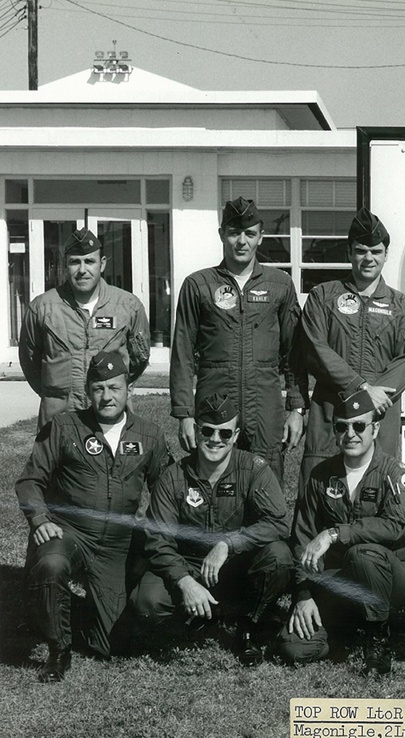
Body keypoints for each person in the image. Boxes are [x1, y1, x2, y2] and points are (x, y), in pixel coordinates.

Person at [15, 351, 169, 681]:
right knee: (52, 563)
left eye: (114, 387)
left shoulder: (150, 435)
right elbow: (30, 480)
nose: (106, 396)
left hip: (117, 543)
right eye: (98, 388)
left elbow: (166, 491)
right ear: (88, 390)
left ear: (130, 389)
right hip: (72, 533)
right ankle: (59, 648)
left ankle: (57, 607)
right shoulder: (64, 427)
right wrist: (41, 519)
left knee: (111, 644)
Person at [131, 393, 294, 665]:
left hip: (238, 565)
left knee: (278, 557)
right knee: (147, 602)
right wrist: (184, 581)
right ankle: (202, 615)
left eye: (225, 433)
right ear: (196, 431)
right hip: (190, 564)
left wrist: (229, 543)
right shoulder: (174, 477)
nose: (215, 440)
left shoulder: (253, 469)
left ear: (236, 435)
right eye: (207, 431)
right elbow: (158, 540)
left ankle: (248, 626)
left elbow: (277, 523)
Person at [276, 390, 405, 676]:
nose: (350, 434)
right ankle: (348, 626)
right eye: (342, 426)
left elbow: (393, 526)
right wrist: (304, 593)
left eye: (359, 426)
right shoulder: (320, 475)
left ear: (375, 428)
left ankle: (378, 637)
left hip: (392, 575)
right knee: (295, 646)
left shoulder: (395, 473)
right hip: (340, 578)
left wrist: (334, 533)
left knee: (363, 552)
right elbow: (303, 537)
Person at [169, 197, 305, 482]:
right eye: (234, 232)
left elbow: (294, 352)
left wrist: (296, 407)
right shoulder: (199, 285)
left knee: (266, 485)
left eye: (250, 233)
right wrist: (184, 414)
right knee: (211, 486)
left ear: (260, 237)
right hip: (213, 405)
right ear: (222, 234)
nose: (241, 241)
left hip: (265, 408)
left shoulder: (279, 284)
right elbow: (182, 352)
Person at [297, 209, 405, 484]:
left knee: (376, 490)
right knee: (319, 489)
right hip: (330, 415)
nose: (369, 258)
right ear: (349, 252)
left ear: (386, 254)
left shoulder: (400, 305)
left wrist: (375, 397)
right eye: (361, 250)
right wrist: (363, 389)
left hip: (379, 418)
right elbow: (314, 348)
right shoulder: (324, 297)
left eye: (376, 251)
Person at [19, 228, 149, 429]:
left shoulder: (128, 306)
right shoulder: (42, 308)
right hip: (59, 419)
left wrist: (115, 388)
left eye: (89, 261)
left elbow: (139, 358)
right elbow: (30, 362)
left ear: (102, 264)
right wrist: (56, 393)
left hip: (111, 418)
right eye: (74, 262)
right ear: (65, 265)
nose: (82, 270)